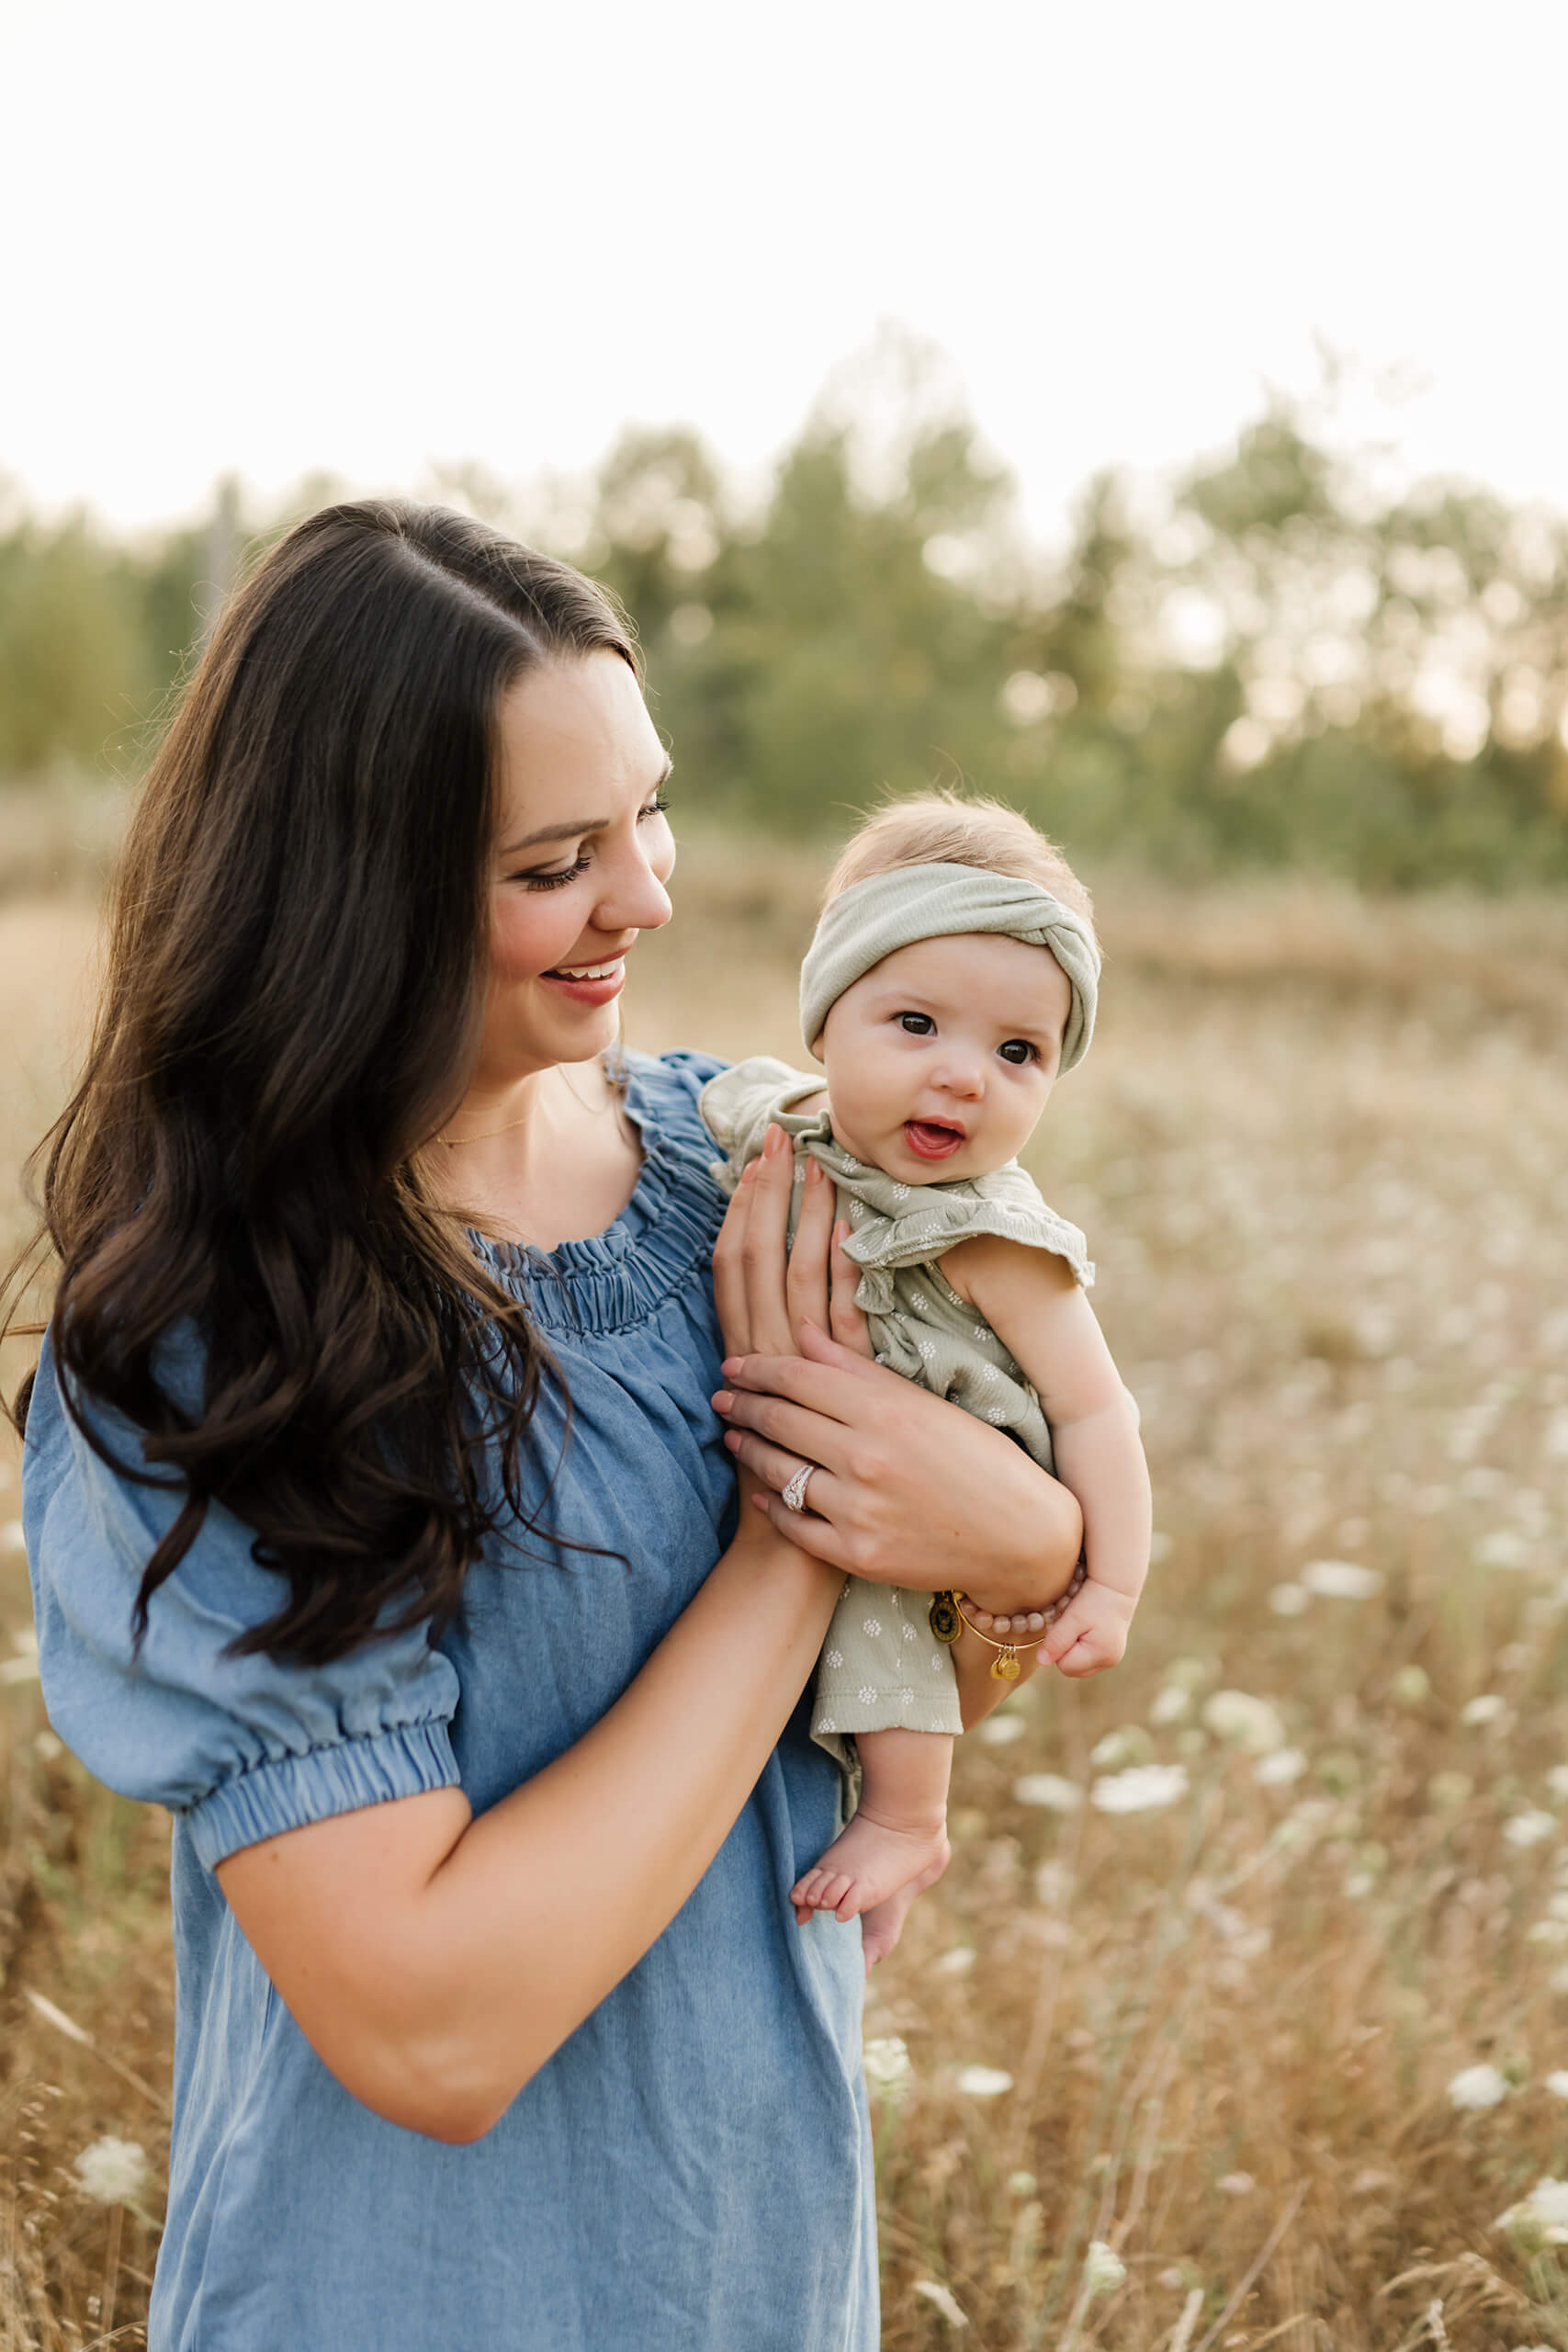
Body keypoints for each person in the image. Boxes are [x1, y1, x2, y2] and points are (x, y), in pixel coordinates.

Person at [10, 503, 1086, 2352]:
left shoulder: (749, 1175)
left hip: (758, 2268)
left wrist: (1028, 1545)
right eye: (553, 861)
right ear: (357, 886)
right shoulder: (212, 1339)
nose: (648, 895)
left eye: (647, 811)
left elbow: (930, 1643)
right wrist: (789, 1539)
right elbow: (428, 2024)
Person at [702, 794, 1152, 1962]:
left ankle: (908, 1820)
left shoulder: (996, 1237)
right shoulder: (779, 1123)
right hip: (822, 1457)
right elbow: (689, 1111)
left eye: (1019, 1052)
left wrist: (1109, 1585)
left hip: (952, 1478)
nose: (964, 1078)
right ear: (826, 1018)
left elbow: (1095, 1406)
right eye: (915, 1024)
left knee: (879, 1621)